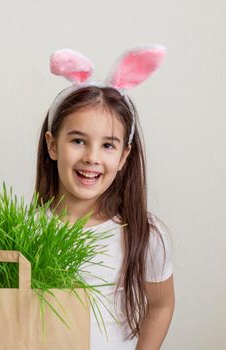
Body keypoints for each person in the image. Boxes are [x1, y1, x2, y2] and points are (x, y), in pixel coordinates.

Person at [35, 46, 175, 349]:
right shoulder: (27, 229)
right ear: (52, 145)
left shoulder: (142, 234)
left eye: (108, 146)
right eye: (78, 141)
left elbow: (161, 305)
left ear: (125, 156)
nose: (92, 157)